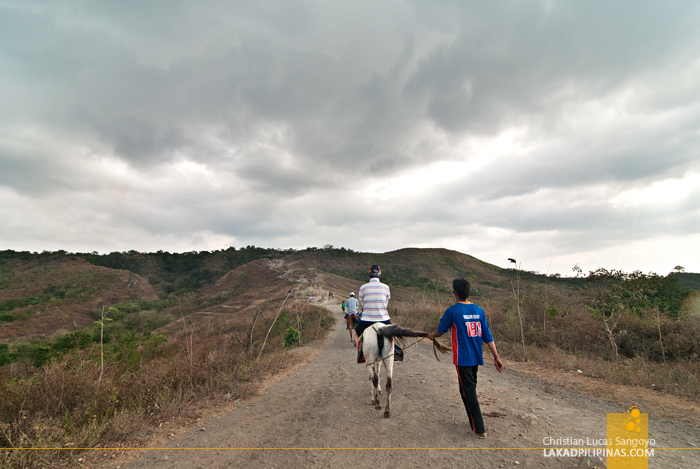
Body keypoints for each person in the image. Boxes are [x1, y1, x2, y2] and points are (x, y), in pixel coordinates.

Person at [426, 278, 504, 439]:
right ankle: (473, 422)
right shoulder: (479, 310)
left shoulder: (453, 311)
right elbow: (487, 335)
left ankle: (480, 429)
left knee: (468, 392)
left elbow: (441, 331)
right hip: (476, 357)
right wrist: (496, 356)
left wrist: (431, 336)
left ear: (455, 293)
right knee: (467, 389)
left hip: (462, 359)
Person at [355, 265, 391, 339]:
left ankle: (360, 351)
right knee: (395, 337)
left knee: (356, 334)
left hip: (367, 320)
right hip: (384, 319)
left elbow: (362, 306)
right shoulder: (386, 287)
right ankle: (396, 350)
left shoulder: (363, 287)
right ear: (380, 275)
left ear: (369, 274)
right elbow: (386, 305)